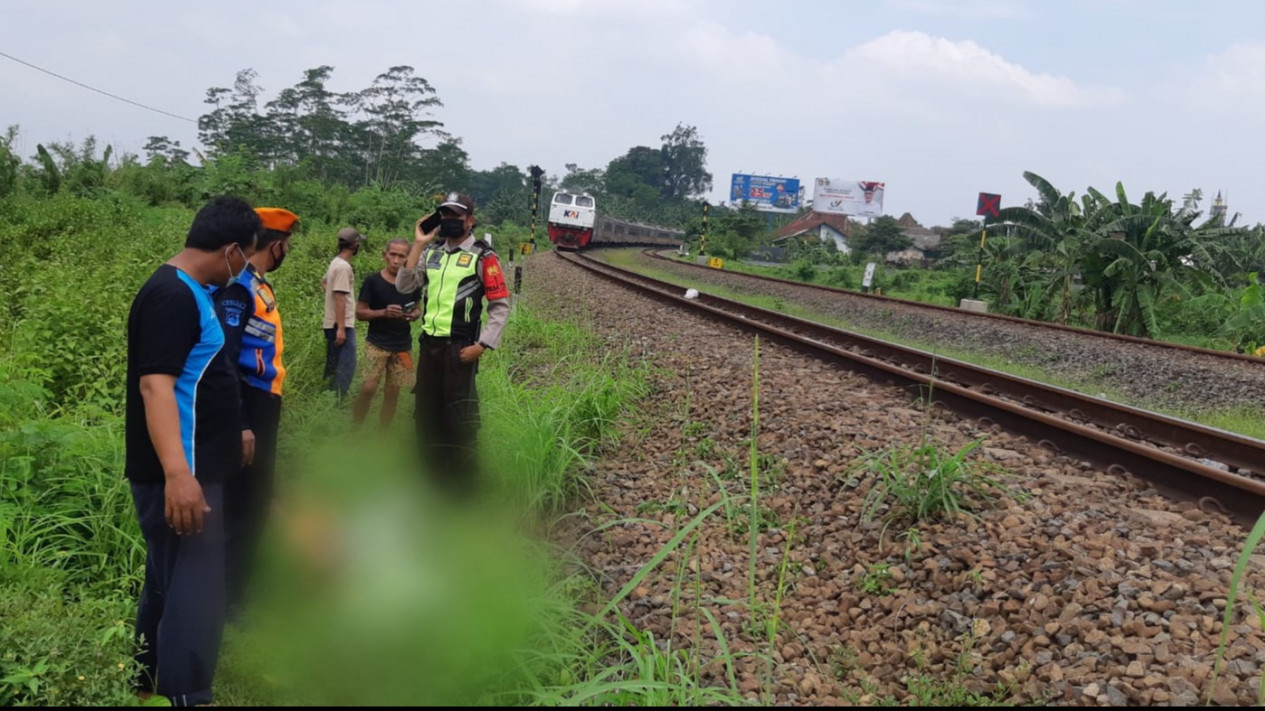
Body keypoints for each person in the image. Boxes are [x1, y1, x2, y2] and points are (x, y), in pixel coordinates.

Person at [125, 196, 260, 706]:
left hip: (192, 468)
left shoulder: (189, 290)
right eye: (246, 255)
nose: (245, 266)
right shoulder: (171, 296)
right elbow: (156, 388)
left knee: (169, 579)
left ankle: (145, 681)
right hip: (182, 474)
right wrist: (180, 476)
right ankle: (186, 696)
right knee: (197, 594)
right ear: (229, 250)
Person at [212, 206, 298, 618]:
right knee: (244, 504)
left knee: (256, 497)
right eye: (287, 245)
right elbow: (226, 357)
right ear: (276, 245)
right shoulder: (237, 288)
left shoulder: (257, 284)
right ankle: (230, 602)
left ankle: (237, 590)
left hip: (264, 402)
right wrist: (242, 423)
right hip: (247, 403)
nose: (287, 252)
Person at [397, 193, 510, 496]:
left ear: (470, 220)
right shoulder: (431, 253)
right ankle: (431, 482)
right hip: (429, 348)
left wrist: (482, 345)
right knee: (427, 414)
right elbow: (404, 286)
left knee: (459, 418)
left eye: (456, 215)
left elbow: (500, 306)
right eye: (444, 214)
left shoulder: (484, 257)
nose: (449, 220)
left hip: (460, 350)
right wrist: (418, 243)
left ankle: (462, 489)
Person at [352, 238, 421, 429]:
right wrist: (382, 312)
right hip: (377, 342)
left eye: (402, 256)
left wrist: (411, 315)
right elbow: (360, 313)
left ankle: (383, 433)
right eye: (393, 255)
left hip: (402, 345)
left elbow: (417, 309)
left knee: (393, 391)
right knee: (368, 388)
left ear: (408, 259)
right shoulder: (373, 281)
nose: (396, 260)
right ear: (385, 255)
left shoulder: (413, 283)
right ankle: (355, 428)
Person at [323, 227, 366, 401]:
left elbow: (325, 282)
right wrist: (341, 327)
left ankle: (328, 398)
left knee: (334, 363)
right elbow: (340, 297)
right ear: (355, 245)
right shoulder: (343, 267)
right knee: (346, 365)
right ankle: (337, 403)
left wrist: (331, 295)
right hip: (341, 324)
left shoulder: (336, 262)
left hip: (332, 321)